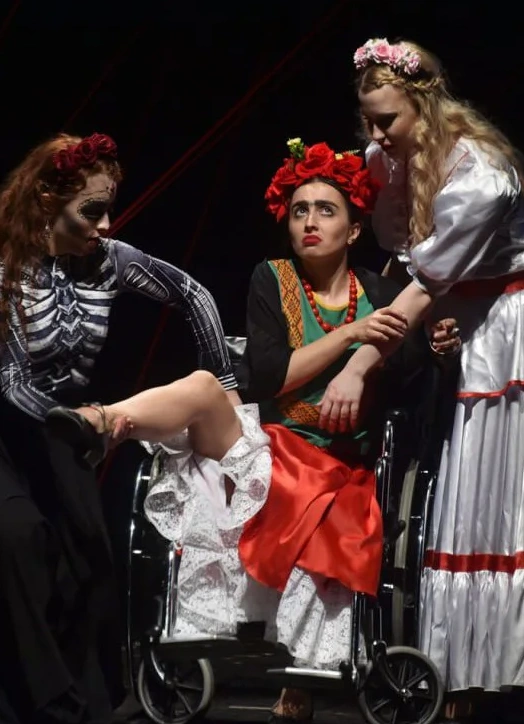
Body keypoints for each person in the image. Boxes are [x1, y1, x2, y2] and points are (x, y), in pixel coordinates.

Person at [45, 138, 459, 723]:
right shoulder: (272, 279)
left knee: (313, 488)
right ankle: (101, 422)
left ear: (354, 229)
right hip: (270, 447)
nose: (309, 222)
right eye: (299, 210)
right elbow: (268, 377)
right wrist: (350, 335)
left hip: (343, 465)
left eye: (325, 210)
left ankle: (304, 668)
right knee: (203, 385)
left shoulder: (384, 294)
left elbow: (411, 383)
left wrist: (437, 350)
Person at [0, 132, 238, 724]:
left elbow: (193, 295)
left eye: (109, 208)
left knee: (89, 563)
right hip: (9, 431)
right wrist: (90, 425)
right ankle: (47, 704)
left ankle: (91, 700)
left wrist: (226, 387)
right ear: (49, 200)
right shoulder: (7, 270)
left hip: (68, 430)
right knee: (20, 540)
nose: (106, 224)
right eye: (91, 210)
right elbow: (10, 381)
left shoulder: (110, 261)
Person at [333, 37, 524, 719]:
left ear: (425, 102)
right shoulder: (386, 160)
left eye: (387, 119)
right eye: (368, 121)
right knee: (442, 491)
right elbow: (404, 269)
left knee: (485, 498)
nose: (375, 135)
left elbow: (426, 280)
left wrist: (359, 361)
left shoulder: (483, 175)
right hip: (446, 323)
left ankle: (481, 675)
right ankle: (452, 671)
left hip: (502, 332)